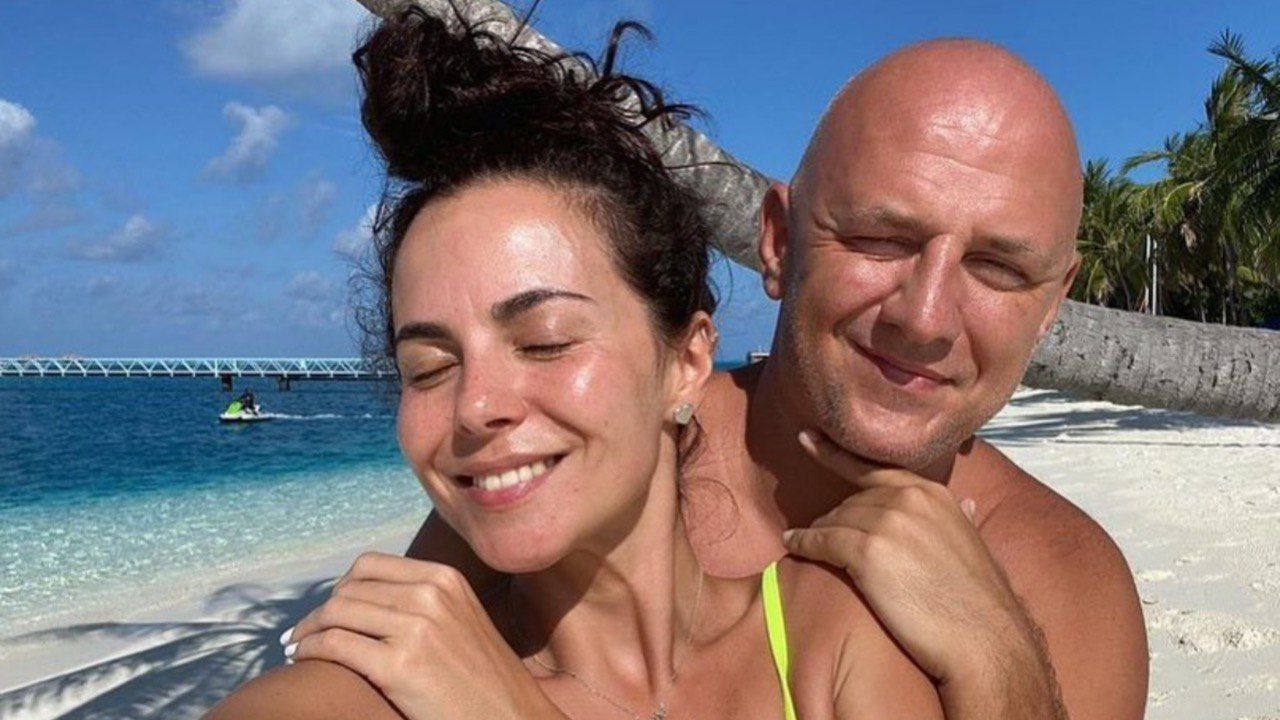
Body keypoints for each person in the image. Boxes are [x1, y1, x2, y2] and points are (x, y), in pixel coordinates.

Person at [208, 10, 945, 719]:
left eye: (545, 341)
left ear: (687, 362)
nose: (474, 406)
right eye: (428, 368)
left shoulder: (831, 638)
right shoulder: (370, 695)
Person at [405, 38, 1149, 720]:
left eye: (999, 269)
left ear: (1051, 305)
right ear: (779, 241)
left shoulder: (1058, 581)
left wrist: (1000, 661)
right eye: (879, 239)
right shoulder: (605, 456)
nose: (925, 319)